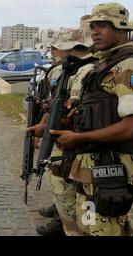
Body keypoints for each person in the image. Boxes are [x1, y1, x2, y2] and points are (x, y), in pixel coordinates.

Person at [51, 3, 133, 236]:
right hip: (91, 168)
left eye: (103, 26)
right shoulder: (105, 64)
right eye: (93, 27)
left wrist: (79, 137)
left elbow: (132, 128)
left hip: (109, 170)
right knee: (86, 229)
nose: (95, 32)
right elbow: (102, 108)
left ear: (121, 28)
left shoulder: (130, 67)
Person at [27, 27, 94, 236]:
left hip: (75, 144)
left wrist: (45, 129)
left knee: (71, 200)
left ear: (70, 49)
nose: (55, 52)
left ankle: (66, 225)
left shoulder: (84, 70)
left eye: (58, 48)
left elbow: (68, 112)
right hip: (70, 142)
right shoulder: (72, 68)